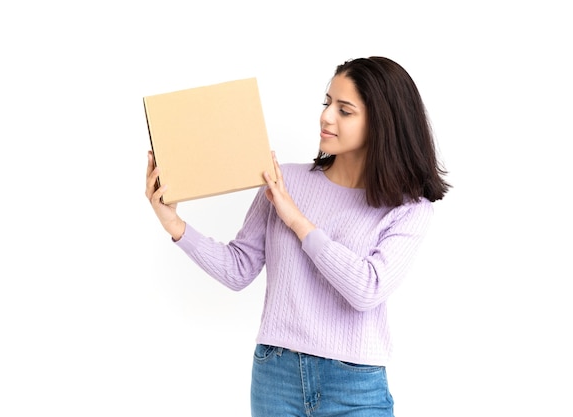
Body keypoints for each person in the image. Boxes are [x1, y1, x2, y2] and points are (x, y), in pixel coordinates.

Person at [145, 56, 450, 417]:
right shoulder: (283, 181)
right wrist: (175, 226)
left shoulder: (409, 209)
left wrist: (296, 219)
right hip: (277, 376)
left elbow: (366, 289)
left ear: (382, 122)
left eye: (345, 110)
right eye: (327, 103)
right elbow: (238, 270)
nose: (326, 116)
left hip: (355, 385)